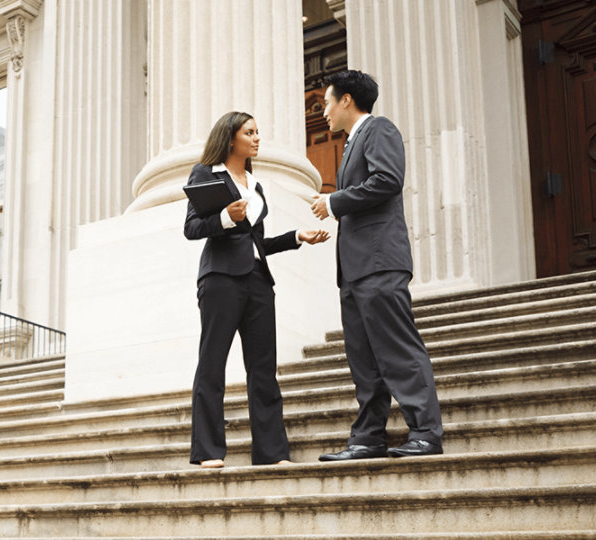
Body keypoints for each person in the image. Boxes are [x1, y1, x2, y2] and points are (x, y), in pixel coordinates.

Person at [310, 70, 443, 460]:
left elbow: (387, 179)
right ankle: (368, 437)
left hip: (380, 261)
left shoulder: (379, 129)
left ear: (347, 100)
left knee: (398, 349)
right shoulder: (352, 142)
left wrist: (334, 202)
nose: (324, 113)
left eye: (327, 103)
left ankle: (425, 433)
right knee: (364, 359)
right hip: (354, 269)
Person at [184, 111, 330, 468]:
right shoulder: (206, 173)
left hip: (258, 280)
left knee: (263, 368)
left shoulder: (255, 184)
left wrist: (297, 236)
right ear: (231, 138)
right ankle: (208, 452)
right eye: (249, 132)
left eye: (257, 132)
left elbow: (258, 241)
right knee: (212, 363)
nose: (257, 138)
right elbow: (191, 227)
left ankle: (272, 452)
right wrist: (224, 218)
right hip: (220, 278)